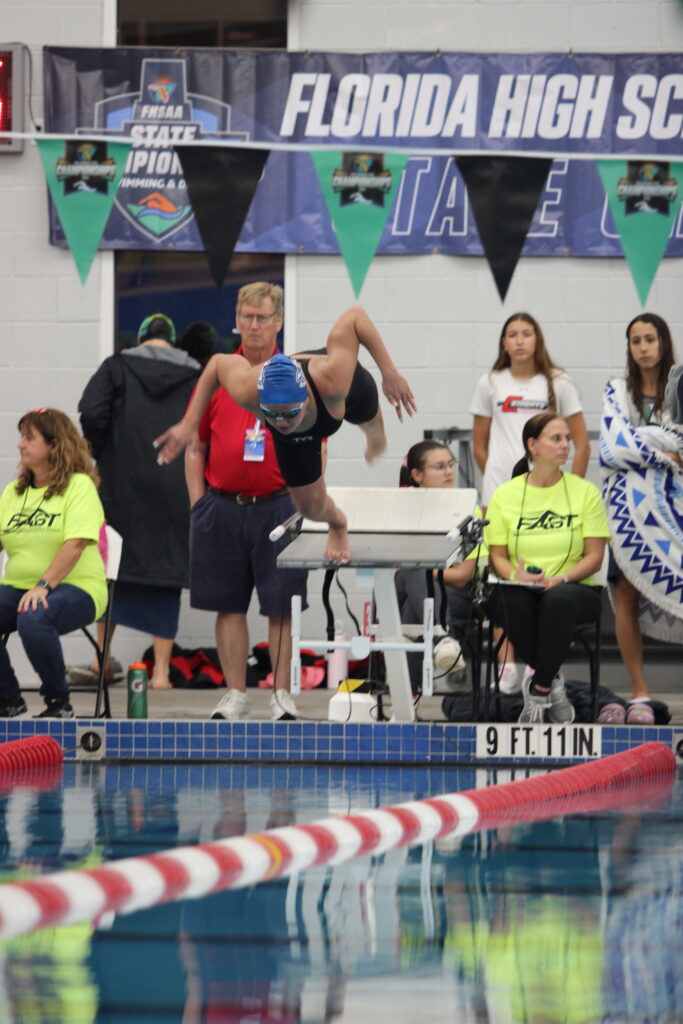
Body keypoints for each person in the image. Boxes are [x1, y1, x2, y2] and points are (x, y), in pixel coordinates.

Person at [155, 305, 416, 563]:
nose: (281, 422)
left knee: (371, 427)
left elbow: (355, 316)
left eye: (289, 413)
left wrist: (389, 372)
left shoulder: (333, 378)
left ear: (304, 400)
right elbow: (216, 365)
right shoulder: (248, 390)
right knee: (310, 508)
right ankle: (338, 524)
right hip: (301, 432)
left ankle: (375, 437)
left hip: (346, 392)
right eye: (271, 413)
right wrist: (189, 423)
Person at [184, 282, 308, 722]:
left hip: (279, 507)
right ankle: (236, 692)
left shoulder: (293, 374)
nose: (253, 326)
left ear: (278, 322)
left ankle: (280, 695)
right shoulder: (218, 374)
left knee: (280, 606)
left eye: (263, 318)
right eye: (247, 317)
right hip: (221, 507)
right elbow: (195, 445)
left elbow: (316, 445)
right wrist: (199, 505)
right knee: (229, 605)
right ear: (237, 320)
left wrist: (302, 503)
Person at [77, 313, 201, 690]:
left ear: (142, 337)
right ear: (173, 341)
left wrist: (103, 452)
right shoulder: (196, 377)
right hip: (175, 483)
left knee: (111, 570)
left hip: (120, 480)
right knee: (166, 573)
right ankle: (161, 673)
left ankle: (103, 663)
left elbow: (91, 411)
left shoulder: (117, 366)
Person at [470, 312, 590, 692]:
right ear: (503, 343)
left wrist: (568, 490)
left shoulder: (559, 382)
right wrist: (509, 492)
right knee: (504, 571)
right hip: (501, 492)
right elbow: (479, 444)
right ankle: (507, 664)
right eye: (512, 334)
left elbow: (582, 442)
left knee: (550, 578)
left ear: (538, 339)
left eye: (527, 333)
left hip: (552, 490)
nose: (520, 340)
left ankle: (544, 666)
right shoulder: (489, 383)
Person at [485, 413, 609, 724]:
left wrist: (562, 577)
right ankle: (553, 683)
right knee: (504, 600)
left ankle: (538, 690)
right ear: (533, 445)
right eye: (556, 439)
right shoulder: (505, 495)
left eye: (568, 438)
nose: (566, 445)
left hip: (576, 588)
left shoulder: (585, 492)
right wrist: (517, 575)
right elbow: (496, 557)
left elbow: (595, 555)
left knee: (557, 601)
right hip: (523, 588)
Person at [600, 313, 682, 725]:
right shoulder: (617, 391)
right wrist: (662, 453)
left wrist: (643, 444)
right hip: (627, 515)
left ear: (664, 343)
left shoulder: (680, 388)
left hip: (676, 511)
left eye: (650, 339)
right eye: (636, 341)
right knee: (627, 595)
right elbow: (611, 450)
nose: (644, 347)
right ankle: (639, 693)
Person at [0, 408, 107, 718]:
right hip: (20, 587)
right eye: (22, 437)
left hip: (77, 589)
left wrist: (43, 585)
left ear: (55, 445)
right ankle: (8, 701)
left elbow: (75, 545)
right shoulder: (13, 492)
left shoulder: (79, 487)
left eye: (30, 438)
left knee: (33, 615)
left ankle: (58, 703)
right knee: (29, 607)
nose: (21, 445)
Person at [395, 441, 483, 689]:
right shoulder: (402, 510)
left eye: (451, 465)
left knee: (410, 607)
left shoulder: (469, 510)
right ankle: (444, 640)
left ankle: (409, 696)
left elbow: (463, 575)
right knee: (411, 580)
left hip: (455, 595)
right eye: (439, 466)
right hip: (408, 589)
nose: (448, 472)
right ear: (417, 475)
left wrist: (423, 567)